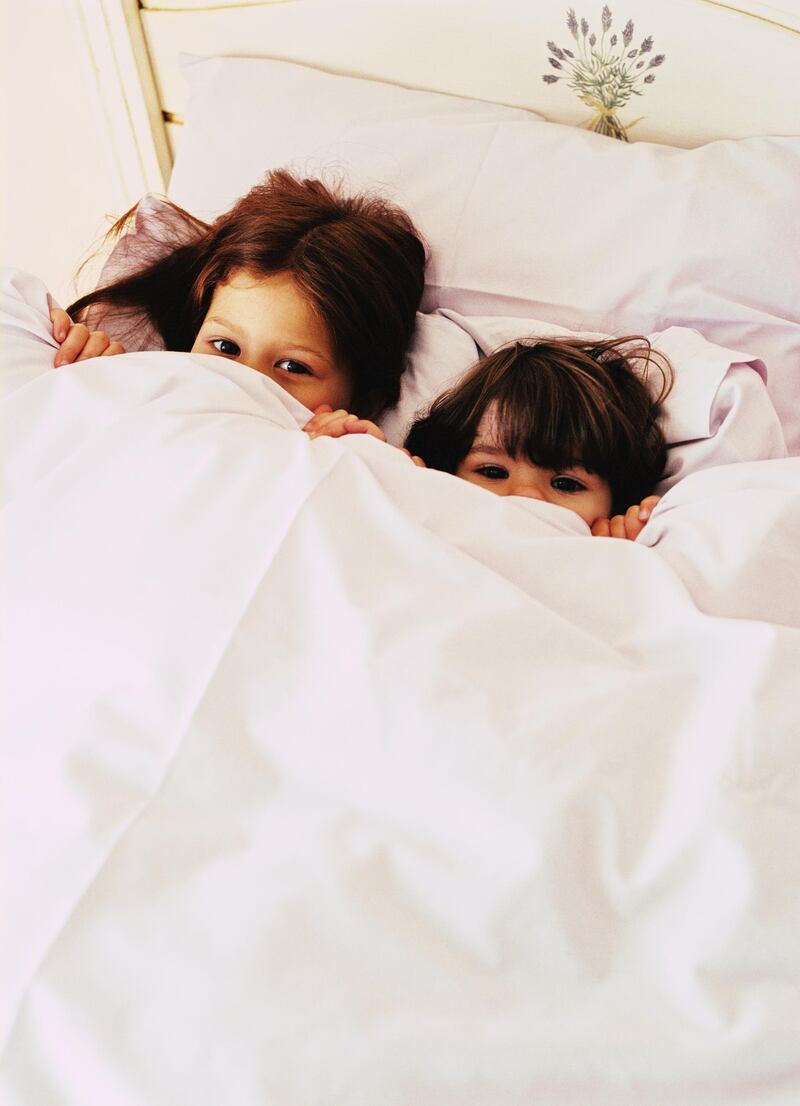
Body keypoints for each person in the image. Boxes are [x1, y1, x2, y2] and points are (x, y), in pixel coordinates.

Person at [50, 169, 427, 420]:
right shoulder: (138, 402)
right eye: (225, 347)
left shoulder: (355, 465)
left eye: (293, 366)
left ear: (364, 402)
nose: (239, 383)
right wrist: (91, 386)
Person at [303, 335, 672, 541]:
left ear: (615, 503)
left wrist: (622, 559)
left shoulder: (610, 552)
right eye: (493, 472)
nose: (525, 497)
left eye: (565, 483)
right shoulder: (432, 501)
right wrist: (371, 462)